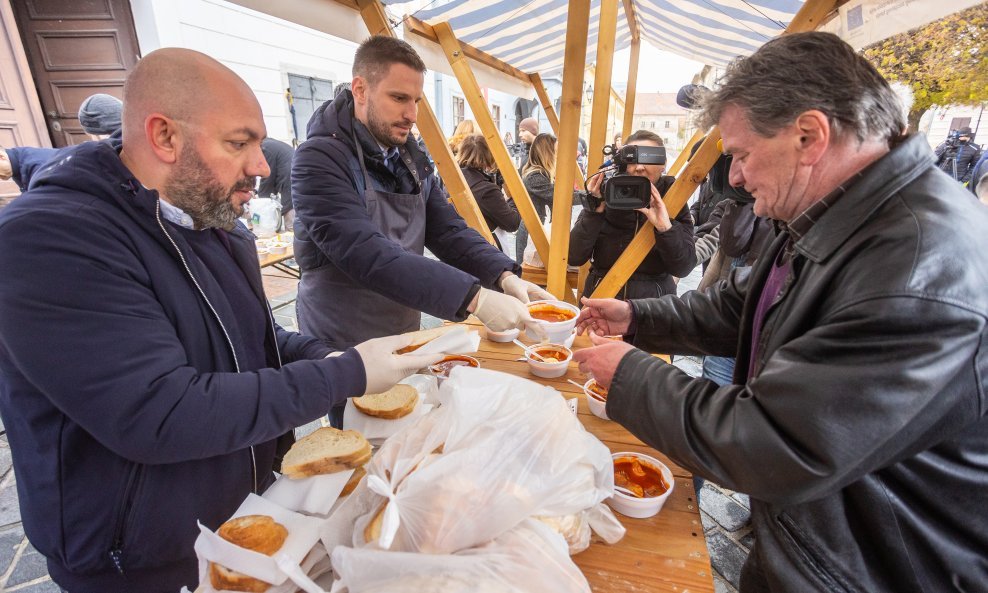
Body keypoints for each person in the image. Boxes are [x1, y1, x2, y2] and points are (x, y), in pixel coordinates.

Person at [0, 48, 440, 593]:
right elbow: (159, 411)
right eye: (239, 143)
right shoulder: (49, 239)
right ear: (164, 137)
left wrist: (322, 355)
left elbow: (254, 338)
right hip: (135, 558)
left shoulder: (211, 221)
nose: (261, 165)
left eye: (258, 143)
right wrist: (346, 373)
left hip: (239, 512)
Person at [572, 32, 988, 592]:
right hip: (818, 546)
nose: (737, 176)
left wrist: (630, 374)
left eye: (741, 154)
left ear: (810, 135)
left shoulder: (913, 270)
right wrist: (638, 318)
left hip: (866, 571)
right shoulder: (843, 213)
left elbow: (774, 443)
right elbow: (743, 304)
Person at [290, 36, 550, 389]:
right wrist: (474, 297)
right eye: (399, 98)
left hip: (401, 327)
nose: (411, 114)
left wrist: (504, 275)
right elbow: (365, 252)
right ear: (360, 89)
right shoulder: (318, 160)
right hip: (343, 341)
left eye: (416, 101)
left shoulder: (409, 158)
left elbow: (448, 231)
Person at [568, 130, 696, 299]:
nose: (640, 167)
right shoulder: (608, 193)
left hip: (653, 308)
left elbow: (683, 267)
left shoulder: (673, 198)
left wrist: (665, 228)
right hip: (603, 299)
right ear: (623, 163)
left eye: (649, 158)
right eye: (632, 159)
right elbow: (574, 256)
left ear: (663, 164)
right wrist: (594, 212)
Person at [457, 134, 520, 252]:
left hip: (462, 245)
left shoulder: (454, 180)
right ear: (490, 156)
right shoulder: (486, 190)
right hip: (487, 249)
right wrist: (514, 198)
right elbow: (512, 223)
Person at [514, 132, 557, 265]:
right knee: (530, 278)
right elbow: (561, 196)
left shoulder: (541, 173)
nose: (558, 155)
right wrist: (590, 194)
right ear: (547, 153)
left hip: (536, 229)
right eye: (556, 151)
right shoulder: (535, 176)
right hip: (533, 232)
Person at [258, 137, 296, 230]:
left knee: (292, 226)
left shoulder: (265, 148)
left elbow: (268, 176)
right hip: (296, 180)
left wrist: (261, 200)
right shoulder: (271, 144)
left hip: (290, 182)